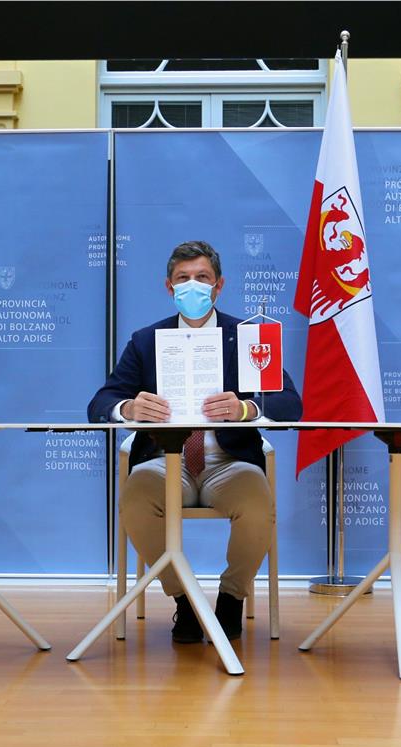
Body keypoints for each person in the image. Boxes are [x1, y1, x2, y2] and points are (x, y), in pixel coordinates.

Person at [89, 240, 302, 643]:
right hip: (167, 461)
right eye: (183, 278)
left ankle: (230, 599)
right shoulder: (146, 340)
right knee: (135, 499)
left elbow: (290, 404)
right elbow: (100, 403)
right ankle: (184, 600)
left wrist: (245, 409)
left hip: (229, 462)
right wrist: (129, 408)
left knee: (258, 502)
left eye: (202, 277)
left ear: (219, 285)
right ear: (169, 287)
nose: (192, 285)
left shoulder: (247, 336)